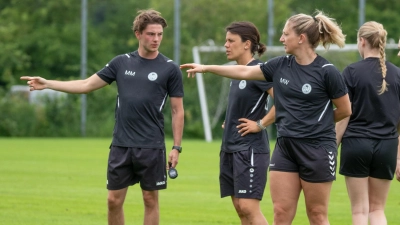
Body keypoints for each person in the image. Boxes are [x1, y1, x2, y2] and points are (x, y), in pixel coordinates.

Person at [181, 11, 351, 225]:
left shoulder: (327, 72)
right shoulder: (280, 65)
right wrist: (206, 68)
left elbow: (345, 110)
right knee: (280, 213)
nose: (281, 39)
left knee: (316, 214)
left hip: (317, 148)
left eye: (285, 34)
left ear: (301, 38)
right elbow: (244, 72)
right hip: (286, 147)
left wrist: (313, 124)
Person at [21, 9, 184, 225]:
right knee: (113, 201)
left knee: (150, 199)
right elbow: (86, 85)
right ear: (138, 34)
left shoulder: (170, 68)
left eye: (159, 34)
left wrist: (176, 147)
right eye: (150, 34)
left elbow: (177, 110)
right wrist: (48, 84)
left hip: (151, 146)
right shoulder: (121, 63)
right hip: (121, 145)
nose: (156, 39)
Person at [335, 22, 400, 225]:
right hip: (387, 146)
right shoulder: (397, 74)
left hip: (356, 144)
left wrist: (332, 145)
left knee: (359, 212)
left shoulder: (351, 71)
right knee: (377, 209)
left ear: (362, 41)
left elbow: (345, 114)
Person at [219, 21, 275, 225]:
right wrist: (229, 122)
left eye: (230, 41)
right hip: (230, 147)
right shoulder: (236, 72)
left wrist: (260, 123)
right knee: (240, 209)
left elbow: (284, 101)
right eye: (226, 40)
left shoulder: (258, 70)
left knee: (248, 207)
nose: (226, 45)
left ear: (246, 44)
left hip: (250, 149)